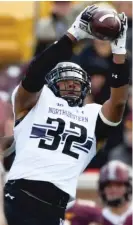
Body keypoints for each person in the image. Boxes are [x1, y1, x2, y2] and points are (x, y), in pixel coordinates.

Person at [3, 5, 129, 225]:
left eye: (77, 82)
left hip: (58, 204)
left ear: (86, 88)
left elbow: (118, 101)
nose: (71, 84)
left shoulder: (92, 114)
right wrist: (73, 35)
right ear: (52, 84)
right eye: (65, 80)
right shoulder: (35, 102)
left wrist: (119, 52)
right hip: (24, 193)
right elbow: (34, 74)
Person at [98, 160, 132, 225]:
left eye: (118, 185)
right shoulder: (97, 219)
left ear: (128, 188)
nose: (113, 190)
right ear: (102, 189)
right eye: (108, 186)